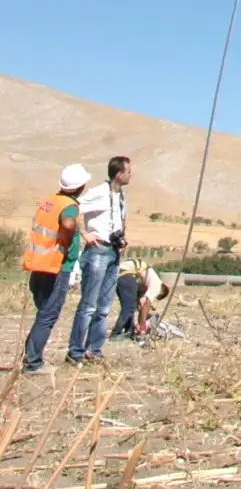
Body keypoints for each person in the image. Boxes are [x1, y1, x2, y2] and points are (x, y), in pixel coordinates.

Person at [20, 164, 90, 373]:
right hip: (56, 265)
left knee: (43, 312)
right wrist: (66, 243)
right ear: (80, 186)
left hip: (38, 263)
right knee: (48, 315)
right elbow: (68, 225)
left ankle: (31, 357)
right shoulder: (69, 206)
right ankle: (33, 363)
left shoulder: (48, 201)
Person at [67, 155, 132, 366]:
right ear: (119, 173)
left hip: (113, 252)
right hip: (97, 251)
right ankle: (75, 351)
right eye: (128, 171)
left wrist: (123, 236)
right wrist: (85, 233)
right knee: (88, 305)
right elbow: (74, 208)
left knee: (104, 306)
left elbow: (122, 219)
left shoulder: (121, 195)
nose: (131, 175)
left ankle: (94, 349)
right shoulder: (98, 192)